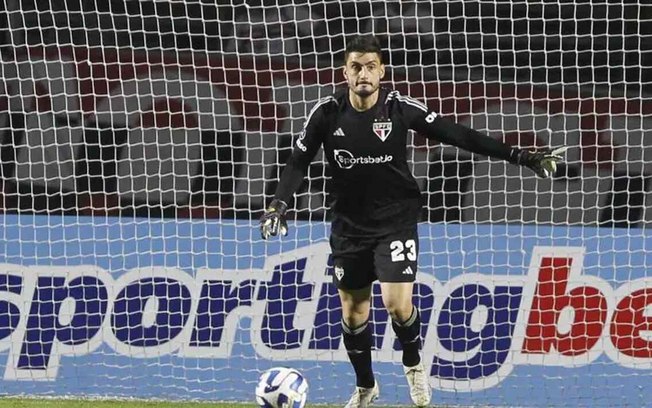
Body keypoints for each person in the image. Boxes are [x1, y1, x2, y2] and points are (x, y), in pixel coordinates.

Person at [259, 34, 565, 408]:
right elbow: (297, 162)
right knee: (354, 313)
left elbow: (457, 133)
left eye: (371, 66)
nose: (363, 73)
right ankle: (366, 386)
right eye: (356, 67)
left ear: (382, 71)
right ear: (345, 72)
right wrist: (278, 203)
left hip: (395, 222)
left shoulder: (398, 108)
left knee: (395, 303)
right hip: (348, 226)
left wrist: (520, 156)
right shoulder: (326, 112)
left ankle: (414, 366)